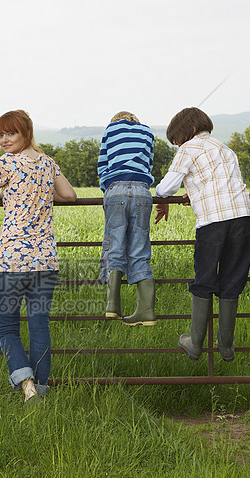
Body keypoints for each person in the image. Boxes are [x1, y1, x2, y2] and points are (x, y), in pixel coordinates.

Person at [0, 110, 77, 405]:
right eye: (0, 135)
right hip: (45, 259)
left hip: (11, 259)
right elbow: (70, 195)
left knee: (8, 327)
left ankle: (27, 387)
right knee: (39, 325)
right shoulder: (49, 164)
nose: (4, 140)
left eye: (10, 133)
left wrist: (10, 193)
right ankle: (42, 389)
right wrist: (44, 194)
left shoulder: (5, 164)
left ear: (26, 132)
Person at [154, 107, 250, 362]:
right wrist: (193, 191)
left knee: (205, 278)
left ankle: (195, 342)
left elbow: (167, 186)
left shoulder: (189, 149)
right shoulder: (225, 148)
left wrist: (164, 196)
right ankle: (226, 344)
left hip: (213, 222)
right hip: (241, 217)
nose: (177, 145)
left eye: (176, 139)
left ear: (190, 131)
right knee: (232, 278)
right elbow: (219, 182)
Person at [97, 111, 156, 326]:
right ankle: (147, 312)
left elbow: (102, 164)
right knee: (140, 250)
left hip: (116, 190)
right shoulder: (148, 132)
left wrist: (109, 188)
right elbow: (148, 164)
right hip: (142, 192)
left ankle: (113, 305)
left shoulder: (110, 130)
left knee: (115, 244)